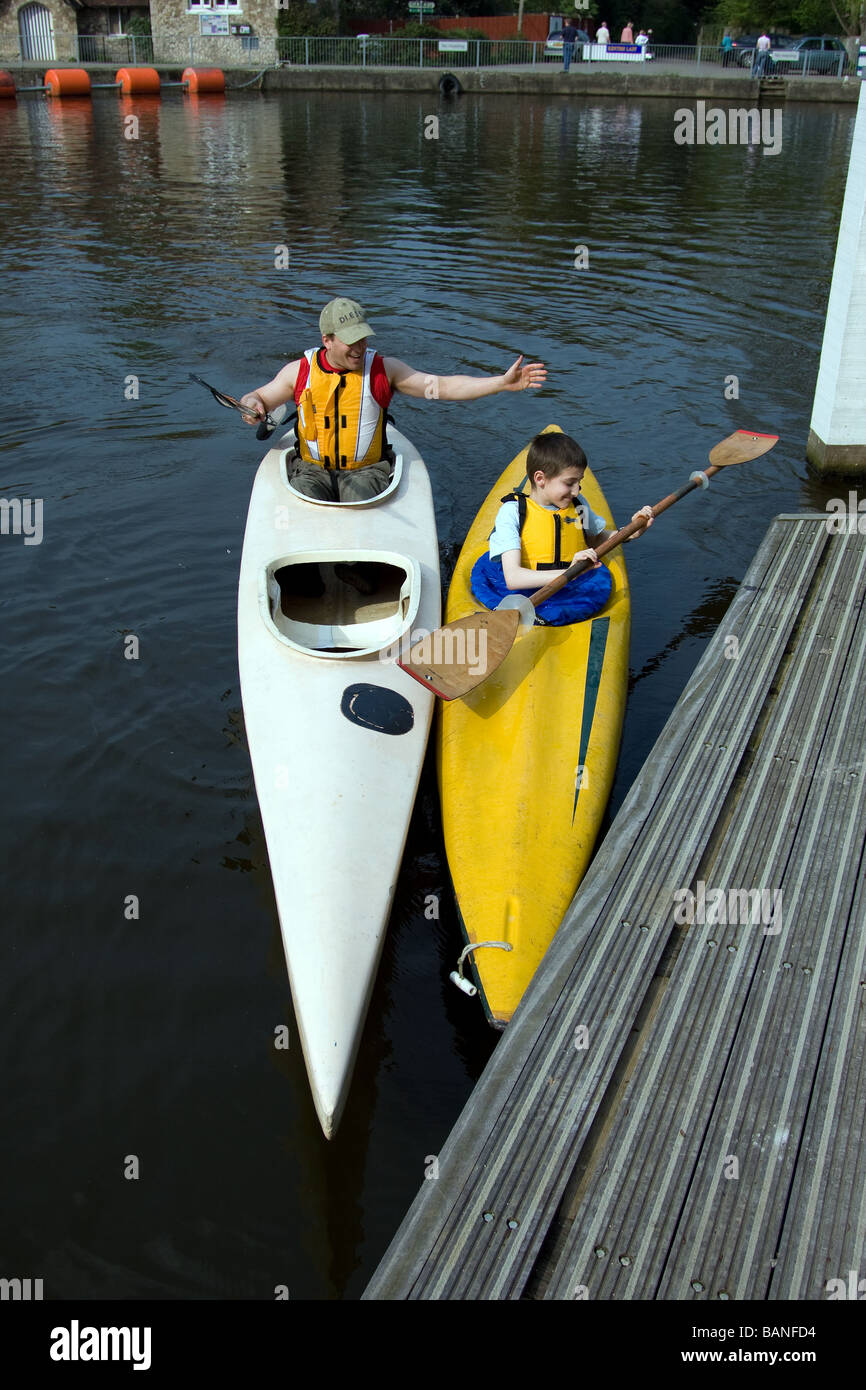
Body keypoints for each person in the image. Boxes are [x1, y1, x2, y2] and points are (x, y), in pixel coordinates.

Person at [240, 297, 547, 504]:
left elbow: (441, 387)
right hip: (311, 469)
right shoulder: (299, 372)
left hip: (365, 471)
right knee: (306, 501)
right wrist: (252, 405)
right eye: (351, 340)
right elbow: (260, 397)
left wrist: (500, 384)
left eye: (363, 337)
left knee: (359, 501)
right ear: (327, 340)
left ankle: (353, 569)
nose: (360, 347)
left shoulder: (385, 371)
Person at [471, 432, 653, 626]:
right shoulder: (513, 513)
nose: (576, 491)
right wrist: (571, 572)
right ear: (540, 479)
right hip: (523, 591)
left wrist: (631, 532)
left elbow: (597, 539)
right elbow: (513, 578)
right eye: (569, 483)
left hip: (570, 589)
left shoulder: (578, 505)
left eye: (579, 482)